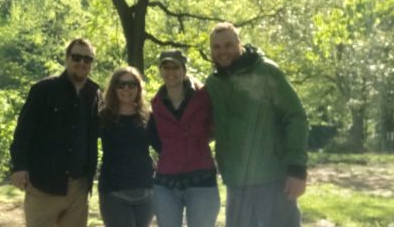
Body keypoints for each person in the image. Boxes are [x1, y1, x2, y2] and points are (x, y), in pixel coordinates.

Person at [205, 22, 308, 227]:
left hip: (273, 178)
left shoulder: (266, 72)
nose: (222, 51)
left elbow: (295, 118)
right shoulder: (213, 84)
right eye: (216, 47)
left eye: (228, 45)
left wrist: (297, 168)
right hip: (236, 182)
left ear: (239, 44)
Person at [9, 38, 102, 227]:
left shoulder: (95, 94)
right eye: (76, 57)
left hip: (79, 186)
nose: (82, 63)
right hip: (44, 184)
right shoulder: (44, 90)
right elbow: (24, 131)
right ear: (67, 59)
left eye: (87, 59)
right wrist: (19, 166)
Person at [148, 50, 220, 227]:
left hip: (201, 178)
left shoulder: (204, 96)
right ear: (160, 70)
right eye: (166, 67)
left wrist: (197, 145)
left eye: (175, 67)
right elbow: (156, 139)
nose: (171, 72)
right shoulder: (155, 104)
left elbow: (216, 126)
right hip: (166, 182)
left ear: (184, 69)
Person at [98, 67, 154, 227]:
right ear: (113, 88)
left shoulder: (148, 116)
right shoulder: (102, 117)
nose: (126, 89)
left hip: (146, 189)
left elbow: (164, 146)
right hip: (114, 190)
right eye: (121, 85)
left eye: (131, 84)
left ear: (139, 87)